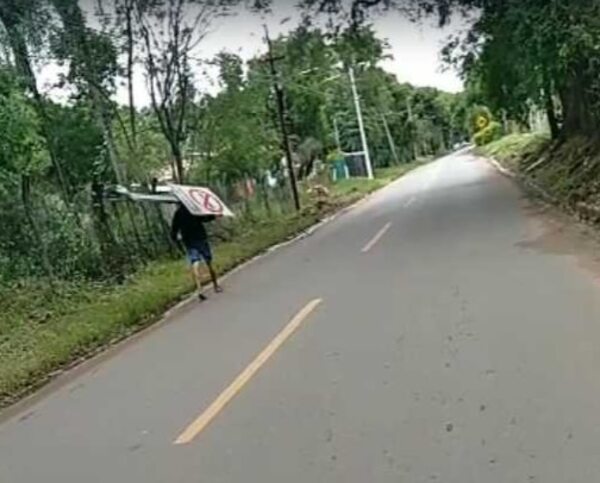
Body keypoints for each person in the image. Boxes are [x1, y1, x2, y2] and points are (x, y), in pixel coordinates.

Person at [171, 203, 222, 301]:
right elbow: (204, 219)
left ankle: (199, 289)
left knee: (195, 262)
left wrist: (174, 238)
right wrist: (214, 216)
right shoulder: (193, 209)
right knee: (209, 261)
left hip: (189, 240)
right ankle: (216, 285)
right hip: (201, 238)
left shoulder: (177, 214)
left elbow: (174, 228)